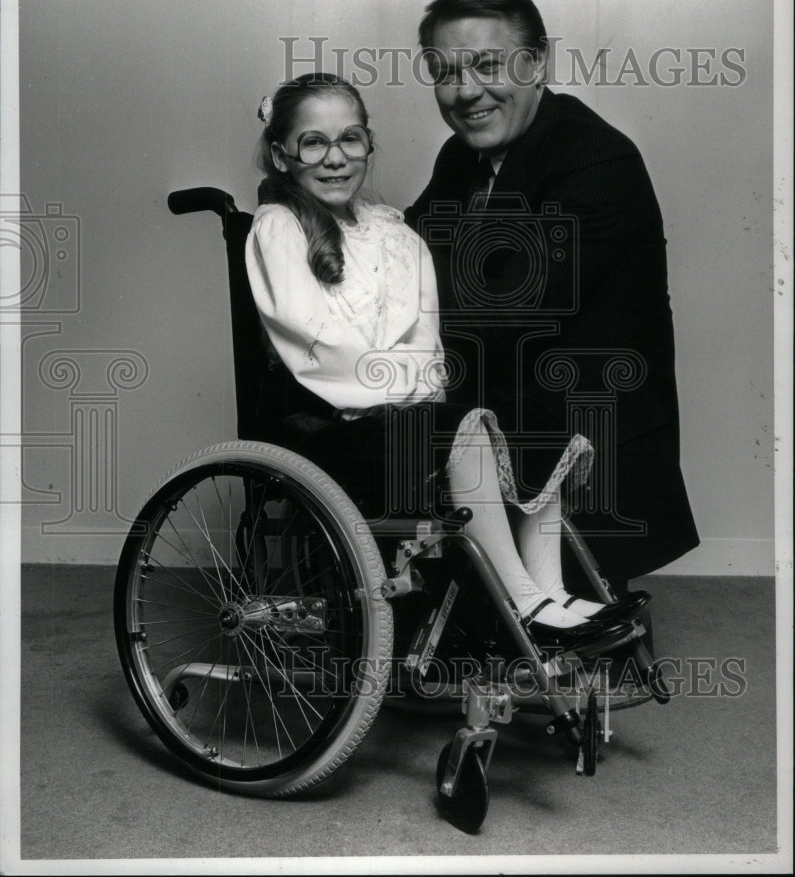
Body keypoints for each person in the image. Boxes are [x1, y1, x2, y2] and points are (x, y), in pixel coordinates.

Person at [244, 72, 639, 651]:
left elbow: (425, 334)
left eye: (350, 139)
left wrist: (422, 388)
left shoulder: (396, 235)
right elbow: (318, 343)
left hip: (405, 411)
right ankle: (523, 603)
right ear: (282, 154)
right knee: (462, 425)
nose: (335, 158)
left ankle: (549, 589)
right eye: (313, 142)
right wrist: (407, 394)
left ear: (369, 144)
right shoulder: (278, 228)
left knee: (533, 408)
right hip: (335, 423)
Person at [406, 0, 699, 592]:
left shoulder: (598, 163)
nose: (465, 93)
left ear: (537, 63)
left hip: (582, 433)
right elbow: (408, 254)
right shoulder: (461, 158)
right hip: (503, 400)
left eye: (487, 65)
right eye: (445, 72)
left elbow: (505, 314)